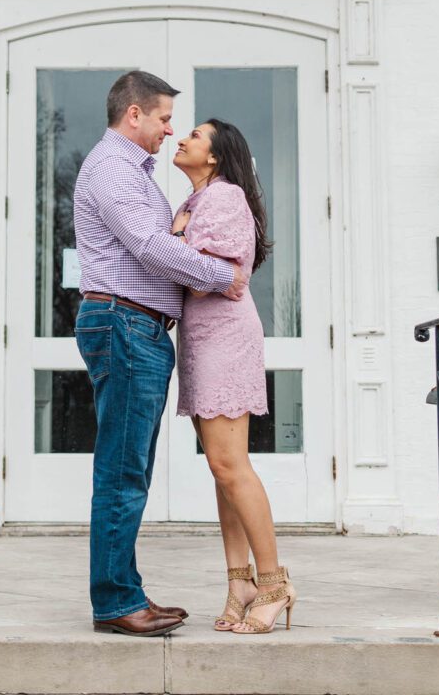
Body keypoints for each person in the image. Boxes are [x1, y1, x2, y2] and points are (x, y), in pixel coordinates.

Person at [73, 71, 247, 638]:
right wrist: (225, 276)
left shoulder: (132, 170)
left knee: (129, 469)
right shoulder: (112, 168)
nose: (170, 130)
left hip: (136, 327)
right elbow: (151, 247)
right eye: (165, 118)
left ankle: (123, 592)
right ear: (135, 115)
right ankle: (117, 602)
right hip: (124, 324)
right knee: (123, 472)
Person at [171, 118, 296, 634]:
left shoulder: (224, 199)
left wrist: (174, 247)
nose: (182, 139)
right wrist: (177, 242)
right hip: (201, 341)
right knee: (221, 470)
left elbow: (202, 280)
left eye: (195, 136)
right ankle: (238, 581)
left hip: (224, 337)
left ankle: (274, 584)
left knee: (231, 466)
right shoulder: (191, 204)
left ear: (217, 155)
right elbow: (187, 268)